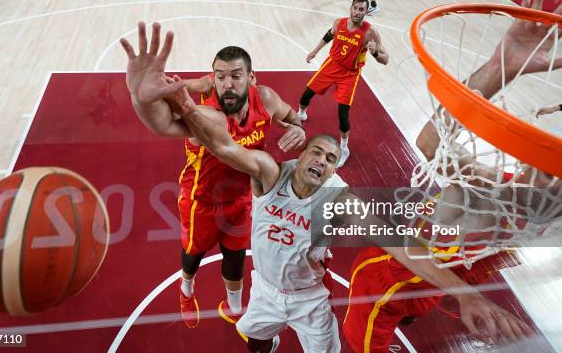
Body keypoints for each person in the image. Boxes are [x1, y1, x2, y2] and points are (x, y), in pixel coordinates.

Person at [130, 39, 533, 352]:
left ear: (337, 168)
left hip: (308, 299)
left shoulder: (341, 200)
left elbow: (400, 246)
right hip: (265, 288)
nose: (321, 162)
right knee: (250, 333)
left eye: (331, 158)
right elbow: (222, 146)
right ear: (299, 156)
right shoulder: (270, 173)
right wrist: (156, 99)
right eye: (316, 153)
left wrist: (464, 295)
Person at [344, 0, 561, 352]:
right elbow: (430, 143)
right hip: (385, 284)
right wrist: (499, 68)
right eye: (542, 164)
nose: (532, 164)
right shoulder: (483, 193)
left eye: (550, 173)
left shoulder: (537, 209)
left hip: (434, 285)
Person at [120, 22, 306, 329]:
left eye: (235, 76)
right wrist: (140, 98)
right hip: (201, 201)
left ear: (251, 78)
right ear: (213, 80)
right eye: (220, 77)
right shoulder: (208, 117)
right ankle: (186, 290)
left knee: (235, 258)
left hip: (242, 197)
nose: (227, 84)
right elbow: (162, 124)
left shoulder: (267, 98)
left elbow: (288, 114)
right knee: (193, 254)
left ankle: (234, 308)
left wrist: (298, 128)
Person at [297, 0, 388, 167]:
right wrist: (315, 51)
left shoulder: (370, 32)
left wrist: (375, 53)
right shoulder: (339, 23)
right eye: (355, 8)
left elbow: (385, 59)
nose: (357, 12)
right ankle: (301, 113)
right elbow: (328, 36)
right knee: (307, 93)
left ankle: (344, 147)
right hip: (332, 65)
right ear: (351, 8)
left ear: (366, 12)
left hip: (350, 74)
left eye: (362, 9)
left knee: (343, 112)